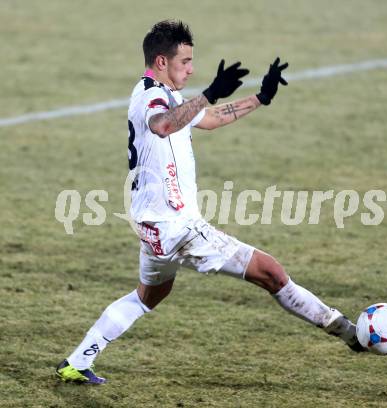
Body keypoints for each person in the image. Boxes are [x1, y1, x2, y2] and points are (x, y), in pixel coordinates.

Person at [56, 20, 364, 385]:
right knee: (272, 273)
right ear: (160, 62)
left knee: (147, 297)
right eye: (184, 61)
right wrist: (209, 92)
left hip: (152, 228)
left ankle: (77, 361)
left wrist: (260, 98)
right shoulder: (150, 98)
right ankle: (350, 334)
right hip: (177, 228)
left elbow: (210, 118)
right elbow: (163, 125)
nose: (191, 68)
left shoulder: (167, 95)